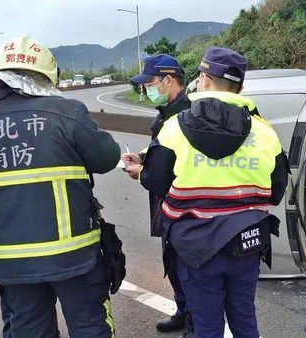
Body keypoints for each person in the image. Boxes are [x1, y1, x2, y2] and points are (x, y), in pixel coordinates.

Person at [0, 35, 120, 337]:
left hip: (11, 262)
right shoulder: (68, 113)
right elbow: (107, 157)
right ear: (46, 80)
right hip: (75, 257)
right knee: (89, 325)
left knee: (29, 330)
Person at [123, 47, 290, 337]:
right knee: (244, 317)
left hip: (195, 247)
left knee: (206, 325)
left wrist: (140, 172)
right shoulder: (265, 132)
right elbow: (276, 192)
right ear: (241, 87)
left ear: (204, 80)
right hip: (247, 243)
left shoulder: (174, 129)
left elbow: (156, 182)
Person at [125, 54, 194, 337]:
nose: (146, 90)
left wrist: (140, 171)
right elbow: (161, 148)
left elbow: (175, 163)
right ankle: (183, 310)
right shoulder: (166, 110)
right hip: (165, 201)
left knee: (184, 263)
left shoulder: (186, 113)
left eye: (150, 83)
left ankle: (193, 318)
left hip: (180, 201)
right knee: (172, 260)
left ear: (168, 80)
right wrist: (142, 155)